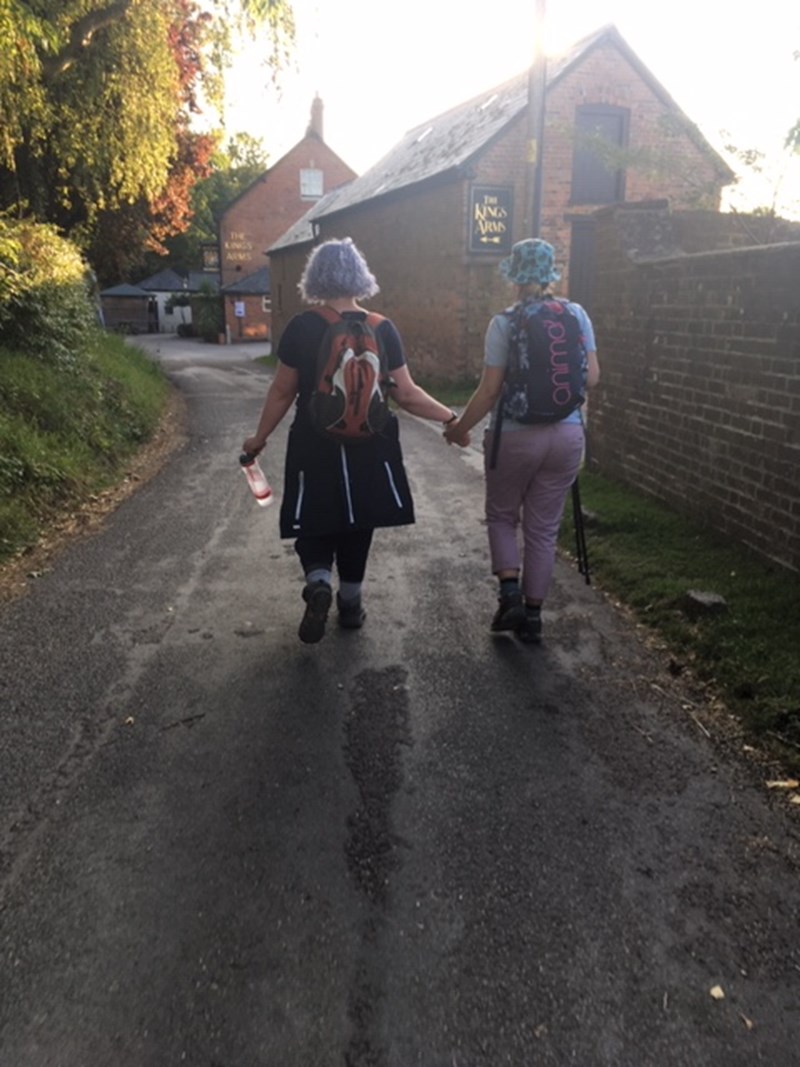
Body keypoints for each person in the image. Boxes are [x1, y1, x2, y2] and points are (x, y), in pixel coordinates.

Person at [242, 237, 466, 644]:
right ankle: (350, 604)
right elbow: (406, 393)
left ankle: (318, 582)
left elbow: (281, 392)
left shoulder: (301, 327)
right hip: (371, 443)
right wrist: (451, 419)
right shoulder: (382, 327)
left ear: (315, 277)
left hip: (314, 441)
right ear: (360, 275)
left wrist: (259, 438)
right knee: (359, 521)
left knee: (314, 517)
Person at [444, 237, 600, 644]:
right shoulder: (577, 315)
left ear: (514, 277)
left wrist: (459, 429)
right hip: (567, 434)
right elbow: (592, 378)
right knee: (543, 528)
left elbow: (489, 391)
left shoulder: (504, 323)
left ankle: (510, 593)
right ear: (551, 275)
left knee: (501, 515)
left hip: (514, 436)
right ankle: (533, 617)